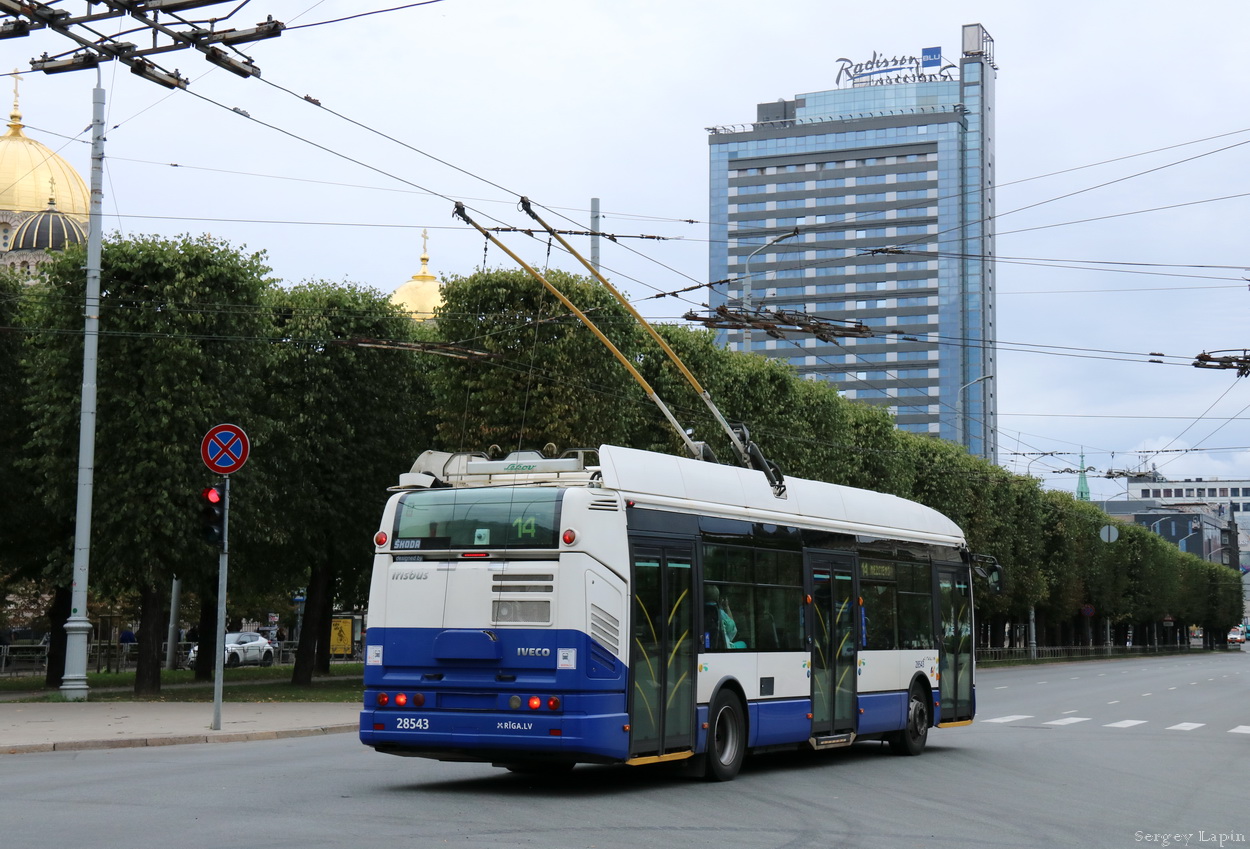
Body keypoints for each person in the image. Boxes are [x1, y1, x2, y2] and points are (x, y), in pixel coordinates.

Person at [706, 585, 747, 649]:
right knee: (743, 644)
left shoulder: (700, 609)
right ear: (717, 598)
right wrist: (726, 606)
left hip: (707, 643)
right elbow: (733, 629)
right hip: (721, 646)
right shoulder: (718, 612)